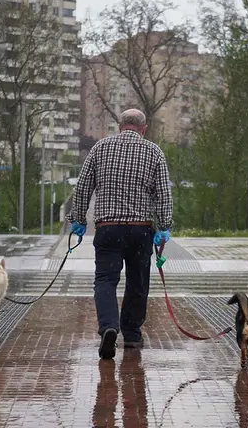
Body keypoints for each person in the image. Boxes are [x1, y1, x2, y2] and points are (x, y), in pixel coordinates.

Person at [66, 108, 173, 360]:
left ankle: (109, 327)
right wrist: (164, 226)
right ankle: (133, 335)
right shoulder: (154, 151)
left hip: (108, 229)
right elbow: (163, 194)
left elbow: (82, 188)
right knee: (137, 282)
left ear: (119, 125)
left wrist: (78, 219)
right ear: (143, 129)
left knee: (105, 281)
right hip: (140, 231)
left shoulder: (100, 148)